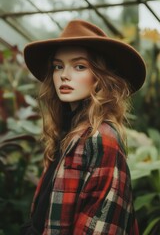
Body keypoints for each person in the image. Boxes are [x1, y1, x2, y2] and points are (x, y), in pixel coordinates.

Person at [22, 19, 146, 234]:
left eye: (79, 66)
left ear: (100, 78)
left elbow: (102, 226)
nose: (64, 75)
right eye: (58, 66)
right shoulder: (66, 133)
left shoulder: (101, 138)